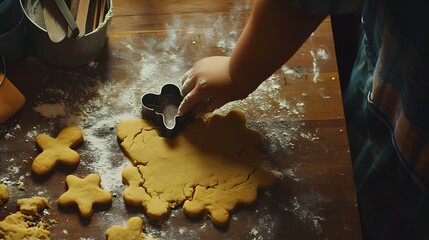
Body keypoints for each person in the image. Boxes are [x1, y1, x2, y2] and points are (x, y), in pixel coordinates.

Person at [177, 0, 429, 239]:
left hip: (410, 156)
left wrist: (238, 73)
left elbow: (296, 5)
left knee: (368, 219)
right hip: (389, 84)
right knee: (354, 196)